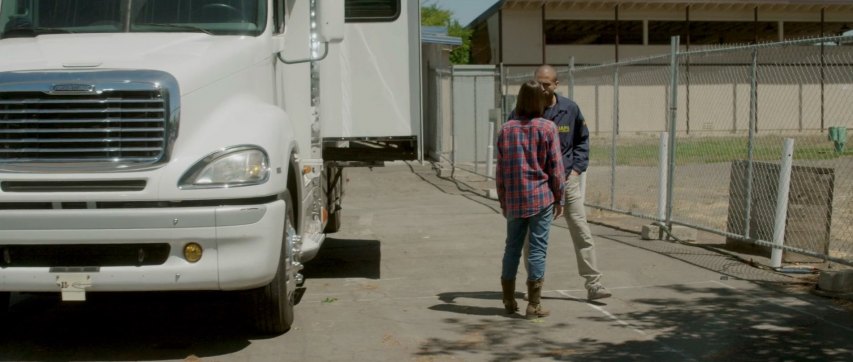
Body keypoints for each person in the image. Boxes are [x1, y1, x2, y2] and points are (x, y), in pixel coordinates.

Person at [524, 64, 612, 301]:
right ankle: (534, 286)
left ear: (556, 84)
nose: (542, 89)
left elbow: (582, 140)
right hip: (537, 185)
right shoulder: (525, 109)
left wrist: (576, 171)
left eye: (546, 84)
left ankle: (594, 284)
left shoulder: (570, 110)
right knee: (531, 238)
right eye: (538, 83)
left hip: (566, 182)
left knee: (582, 232)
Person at [496, 80, 565, 319]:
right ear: (539, 101)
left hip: (514, 198)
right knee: (537, 250)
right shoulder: (547, 128)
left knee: (512, 248)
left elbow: (501, 169)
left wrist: (503, 199)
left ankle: (508, 299)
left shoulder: (506, 129)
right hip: (540, 197)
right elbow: (556, 167)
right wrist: (560, 197)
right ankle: (533, 304)